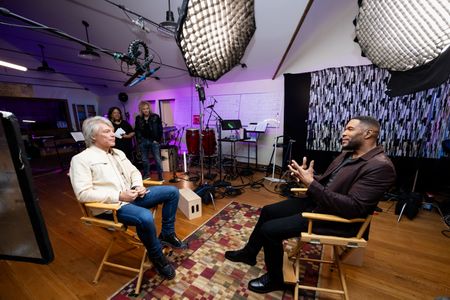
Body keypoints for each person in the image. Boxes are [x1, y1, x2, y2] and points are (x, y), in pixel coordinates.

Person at [225, 116, 396, 294]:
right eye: (345, 129)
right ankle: (249, 253)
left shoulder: (380, 167)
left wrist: (312, 184)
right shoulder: (348, 155)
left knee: (269, 231)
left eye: (350, 129)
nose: (344, 133)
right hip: (320, 203)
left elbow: (353, 208)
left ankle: (276, 280)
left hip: (336, 219)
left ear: (368, 133)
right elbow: (330, 185)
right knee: (268, 211)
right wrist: (307, 178)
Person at [69, 116, 187, 280]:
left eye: (112, 131)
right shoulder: (81, 159)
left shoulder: (118, 152)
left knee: (172, 192)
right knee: (145, 216)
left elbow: (134, 172)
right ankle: (157, 258)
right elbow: (83, 194)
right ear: (93, 136)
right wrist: (119, 195)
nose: (113, 134)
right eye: (107, 131)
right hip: (111, 207)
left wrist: (137, 186)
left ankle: (167, 234)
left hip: (130, 196)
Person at [134, 101, 164, 181]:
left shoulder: (155, 117)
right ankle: (146, 175)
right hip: (143, 141)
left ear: (149, 108)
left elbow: (160, 129)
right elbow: (137, 130)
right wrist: (139, 141)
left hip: (154, 141)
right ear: (141, 110)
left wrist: (157, 140)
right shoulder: (138, 118)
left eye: (147, 108)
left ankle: (160, 175)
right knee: (144, 159)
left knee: (157, 159)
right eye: (144, 109)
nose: (146, 110)